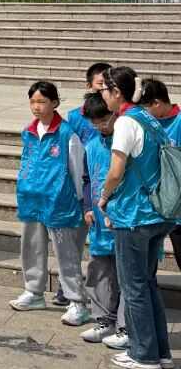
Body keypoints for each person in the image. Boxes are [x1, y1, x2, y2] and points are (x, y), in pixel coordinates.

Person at [99, 66, 175, 369]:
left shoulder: (126, 122)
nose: (102, 97)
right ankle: (161, 353)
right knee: (148, 284)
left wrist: (104, 197)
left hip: (134, 216)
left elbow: (116, 172)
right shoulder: (150, 118)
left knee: (133, 288)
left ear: (117, 92)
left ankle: (144, 355)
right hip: (157, 214)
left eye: (104, 91)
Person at [9, 81, 90, 324]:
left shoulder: (67, 134)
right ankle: (34, 292)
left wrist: (78, 199)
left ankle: (77, 302)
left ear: (54, 103)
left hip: (60, 202)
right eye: (32, 101)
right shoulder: (28, 130)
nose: (36, 106)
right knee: (31, 247)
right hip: (32, 199)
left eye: (42, 102)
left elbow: (78, 171)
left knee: (67, 254)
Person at [53, 61, 111, 307]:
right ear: (89, 86)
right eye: (100, 84)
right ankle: (67, 288)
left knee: (105, 246)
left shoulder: (118, 115)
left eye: (108, 85)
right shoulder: (76, 117)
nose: (104, 89)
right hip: (83, 185)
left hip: (107, 186)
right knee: (73, 242)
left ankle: (107, 296)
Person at [79, 91, 127, 344]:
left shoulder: (125, 141)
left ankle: (125, 327)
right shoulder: (91, 145)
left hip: (123, 217)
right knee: (99, 271)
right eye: (94, 123)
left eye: (103, 121)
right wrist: (88, 206)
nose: (100, 127)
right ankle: (103, 321)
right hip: (98, 219)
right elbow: (87, 179)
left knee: (126, 275)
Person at [141, 79, 181, 271]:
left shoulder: (179, 122)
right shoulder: (147, 124)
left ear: (156, 103)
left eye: (145, 108)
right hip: (156, 204)